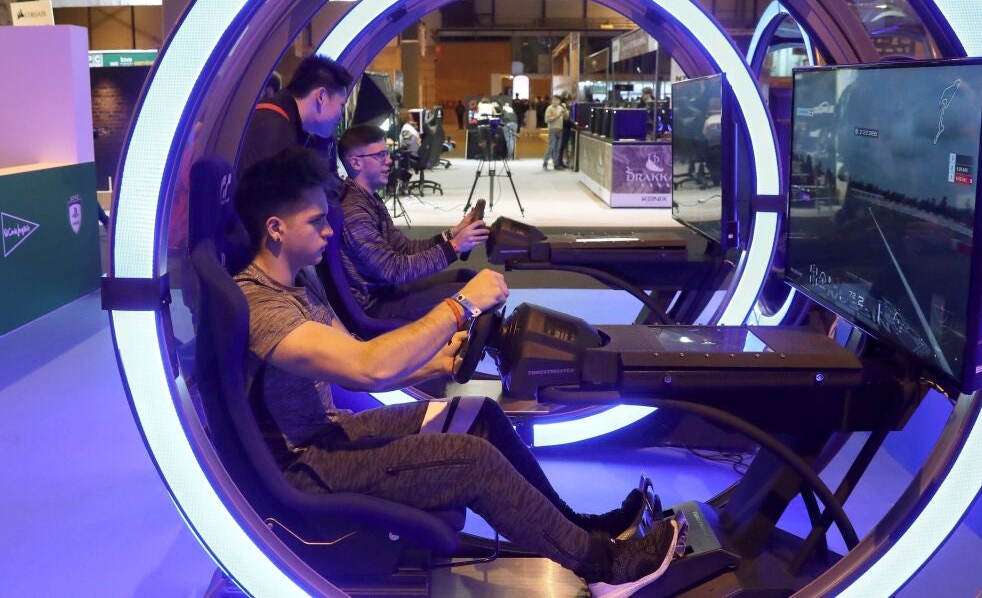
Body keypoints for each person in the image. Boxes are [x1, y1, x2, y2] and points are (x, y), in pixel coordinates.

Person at [232, 146, 682, 596]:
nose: (330, 231)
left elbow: (353, 356)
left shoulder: (299, 281)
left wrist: (437, 361)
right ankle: (604, 569)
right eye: (316, 221)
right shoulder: (263, 307)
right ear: (275, 228)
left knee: (478, 415)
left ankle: (580, 529)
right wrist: (460, 305)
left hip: (331, 433)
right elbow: (368, 370)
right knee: (472, 460)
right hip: (308, 465)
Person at [337, 124, 489, 321]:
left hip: (388, 290)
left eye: (387, 153)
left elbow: (404, 249)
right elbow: (394, 270)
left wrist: (454, 233)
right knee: (483, 294)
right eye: (380, 155)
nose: (389, 160)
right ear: (356, 162)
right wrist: (455, 246)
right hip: (376, 304)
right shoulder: (355, 212)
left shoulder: (368, 198)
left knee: (469, 278)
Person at [238, 54, 352, 178]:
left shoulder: (284, 120)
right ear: (321, 96)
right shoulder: (274, 129)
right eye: (341, 105)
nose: (340, 117)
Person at [543, 95, 567, 170]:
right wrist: (558, 115)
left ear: (559, 101)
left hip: (560, 130)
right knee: (551, 147)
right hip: (552, 129)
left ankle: (556, 164)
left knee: (558, 148)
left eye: (557, 100)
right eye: (553, 100)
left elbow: (566, 117)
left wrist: (565, 109)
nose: (555, 101)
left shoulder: (561, 108)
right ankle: (545, 162)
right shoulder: (549, 108)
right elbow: (547, 120)